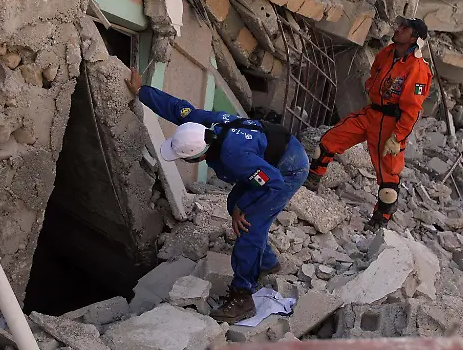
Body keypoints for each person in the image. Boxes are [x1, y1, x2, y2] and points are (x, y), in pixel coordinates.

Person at [126, 68, 309, 324]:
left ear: (200, 156)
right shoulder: (201, 126)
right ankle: (266, 261)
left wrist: (245, 206)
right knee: (233, 203)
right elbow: (177, 108)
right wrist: (143, 91)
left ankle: (243, 297)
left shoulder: (234, 158)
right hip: (267, 157)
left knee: (249, 225)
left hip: (287, 168)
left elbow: (273, 183)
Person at [306, 17, 433, 229]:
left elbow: (412, 108)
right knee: (329, 141)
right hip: (371, 113)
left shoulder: (418, 69)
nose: (398, 29)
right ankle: (312, 180)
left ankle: (380, 219)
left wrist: (397, 138)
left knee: (388, 178)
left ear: (414, 38)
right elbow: (375, 72)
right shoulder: (388, 52)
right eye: (399, 25)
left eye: (405, 28)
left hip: (391, 124)